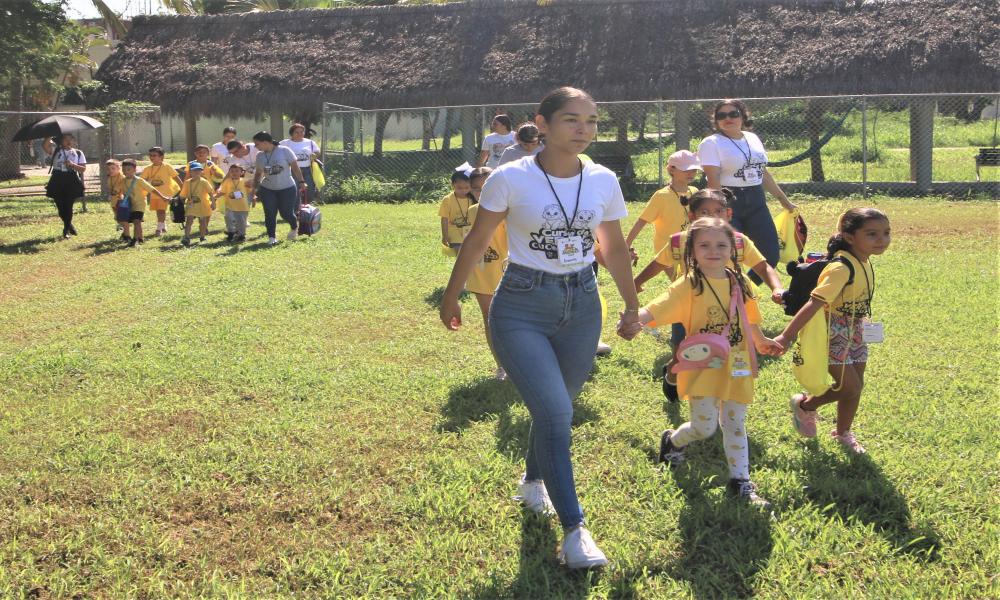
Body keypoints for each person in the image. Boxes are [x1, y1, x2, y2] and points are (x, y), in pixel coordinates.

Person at [440, 87, 641, 569]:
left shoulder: (604, 179)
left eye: (592, 121)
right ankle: (575, 530)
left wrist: (632, 306)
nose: (584, 129)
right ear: (543, 123)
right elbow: (478, 238)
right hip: (521, 304)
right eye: (572, 119)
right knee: (556, 415)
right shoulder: (510, 178)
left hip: (583, 303)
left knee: (558, 408)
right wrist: (453, 294)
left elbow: (611, 248)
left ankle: (532, 482)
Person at [631, 218, 783, 508]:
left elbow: (749, 317)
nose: (714, 251)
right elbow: (656, 307)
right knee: (704, 427)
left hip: (737, 363)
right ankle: (673, 441)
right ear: (692, 251)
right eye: (704, 245)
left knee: (735, 423)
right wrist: (632, 321)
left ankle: (740, 481)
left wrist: (761, 341)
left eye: (721, 245)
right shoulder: (688, 284)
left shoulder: (741, 280)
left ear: (733, 249)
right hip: (704, 365)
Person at [639, 189, 785, 400]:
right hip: (689, 305)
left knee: (727, 351)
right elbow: (658, 264)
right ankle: (672, 376)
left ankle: (721, 400)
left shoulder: (738, 242)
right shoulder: (681, 241)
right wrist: (636, 283)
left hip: (728, 307)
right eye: (704, 212)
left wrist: (777, 288)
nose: (712, 217)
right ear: (692, 217)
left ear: (728, 215)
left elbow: (764, 267)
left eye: (718, 211)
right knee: (684, 352)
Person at [774, 208, 891, 455]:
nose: (881, 240)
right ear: (850, 237)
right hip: (831, 331)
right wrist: (786, 336)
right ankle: (806, 405)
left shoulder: (863, 259)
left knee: (856, 385)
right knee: (849, 387)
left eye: (885, 233)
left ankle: (843, 433)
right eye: (872, 234)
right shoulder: (841, 267)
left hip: (855, 328)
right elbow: (814, 303)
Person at [698, 99, 796, 283]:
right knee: (730, 255)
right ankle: (727, 294)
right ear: (716, 120)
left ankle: (744, 289)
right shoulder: (711, 143)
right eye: (722, 115)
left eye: (733, 114)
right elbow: (713, 179)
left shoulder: (752, 138)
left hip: (756, 199)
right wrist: (720, 209)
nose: (728, 118)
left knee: (770, 254)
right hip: (727, 199)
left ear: (743, 116)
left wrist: (784, 200)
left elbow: (763, 173)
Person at [627, 150, 702, 286]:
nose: (691, 173)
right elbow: (641, 222)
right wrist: (626, 245)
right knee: (682, 284)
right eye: (686, 170)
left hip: (690, 247)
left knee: (692, 284)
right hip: (669, 251)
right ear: (671, 169)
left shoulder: (695, 192)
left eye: (694, 170)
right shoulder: (661, 196)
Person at [463, 166, 508, 380]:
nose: (482, 193)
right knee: (491, 320)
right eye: (476, 189)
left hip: (512, 271)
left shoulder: (513, 209)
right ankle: (502, 365)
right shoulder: (473, 212)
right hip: (483, 271)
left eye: (486, 187)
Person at [250, 131, 307, 246]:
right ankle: (272, 237)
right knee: (269, 212)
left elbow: (295, 168)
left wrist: (301, 182)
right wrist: (254, 189)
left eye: (257, 144)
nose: (256, 147)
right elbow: (258, 173)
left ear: (265, 142)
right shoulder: (260, 155)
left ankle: (294, 226)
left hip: (287, 187)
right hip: (267, 188)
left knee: (286, 213)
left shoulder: (284, 151)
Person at [42, 134, 86, 238]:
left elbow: (83, 169)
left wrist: (73, 165)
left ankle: (65, 230)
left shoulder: (78, 153)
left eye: (70, 139)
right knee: (60, 206)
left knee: (68, 204)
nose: (68, 141)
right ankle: (69, 225)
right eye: (66, 140)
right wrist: (50, 135)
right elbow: (45, 146)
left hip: (71, 179)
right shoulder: (56, 151)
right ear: (61, 141)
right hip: (57, 178)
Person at [119, 159, 170, 247]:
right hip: (130, 205)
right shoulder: (123, 181)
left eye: (128, 169)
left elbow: (152, 189)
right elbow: (122, 192)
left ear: (134, 170)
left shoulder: (139, 180)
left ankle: (135, 240)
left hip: (140, 204)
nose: (125, 172)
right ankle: (141, 238)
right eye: (123, 170)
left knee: (136, 221)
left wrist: (163, 197)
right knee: (137, 222)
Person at [140, 146, 183, 237]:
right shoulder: (148, 168)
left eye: (154, 155)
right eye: (150, 155)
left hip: (166, 193)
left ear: (161, 157)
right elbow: (142, 180)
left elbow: (176, 177)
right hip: (154, 193)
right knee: (158, 211)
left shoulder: (167, 166)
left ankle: (159, 228)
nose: (152, 157)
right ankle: (163, 226)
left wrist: (183, 187)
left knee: (161, 210)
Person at [280, 123, 320, 202]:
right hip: (292, 170)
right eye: (297, 132)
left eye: (302, 132)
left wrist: (314, 155)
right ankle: (296, 208)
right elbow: (275, 149)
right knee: (294, 190)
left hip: (307, 169)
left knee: (310, 190)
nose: (300, 134)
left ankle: (307, 206)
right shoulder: (285, 143)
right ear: (291, 133)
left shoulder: (310, 142)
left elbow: (317, 152)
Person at [179, 161, 215, 246]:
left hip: (203, 205)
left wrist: (213, 202)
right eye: (194, 170)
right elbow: (183, 194)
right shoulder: (187, 182)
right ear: (190, 171)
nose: (196, 172)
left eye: (198, 170)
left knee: (202, 222)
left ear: (201, 172)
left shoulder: (204, 181)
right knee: (189, 221)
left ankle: (202, 237)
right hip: (191, 205)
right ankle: (186, 237)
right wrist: (179, 202)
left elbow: (210, 192)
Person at [438, 170, 475, 252]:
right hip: (454, 233)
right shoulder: (447, 199)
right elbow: (444, 219)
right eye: (459, 188)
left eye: (466, 188)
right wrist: (445, 235)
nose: (463, 190)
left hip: (470, 232)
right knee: (460, 253)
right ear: (452, 185)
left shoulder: (473, 198)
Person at [214, 164, 252, 243]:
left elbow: (250, 192)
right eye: (231, 171)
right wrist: (214, 197)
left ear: (242, 172)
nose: (234, 173)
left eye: (236, 171)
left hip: (242, 206)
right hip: (230, 205)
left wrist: (254, 198)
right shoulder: (227, 181)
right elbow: (222, 191)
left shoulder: (244, 181)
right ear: (229, 173)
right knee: (228, 218)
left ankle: (241, 235)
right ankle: (231, 232)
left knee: (241, 221)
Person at [105, 159, 127, 239]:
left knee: (121, 214)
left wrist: (114, 192)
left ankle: (125, 230)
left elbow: (119, 187)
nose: (110, 171)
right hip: (114, 199)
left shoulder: (121, 177)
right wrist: (110, 194)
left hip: (121, 198)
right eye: (108, 169)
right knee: (115, 212)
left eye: (113, 168)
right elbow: (110, 188)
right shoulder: (110, 178)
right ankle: (120, 224)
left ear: (119, 168)